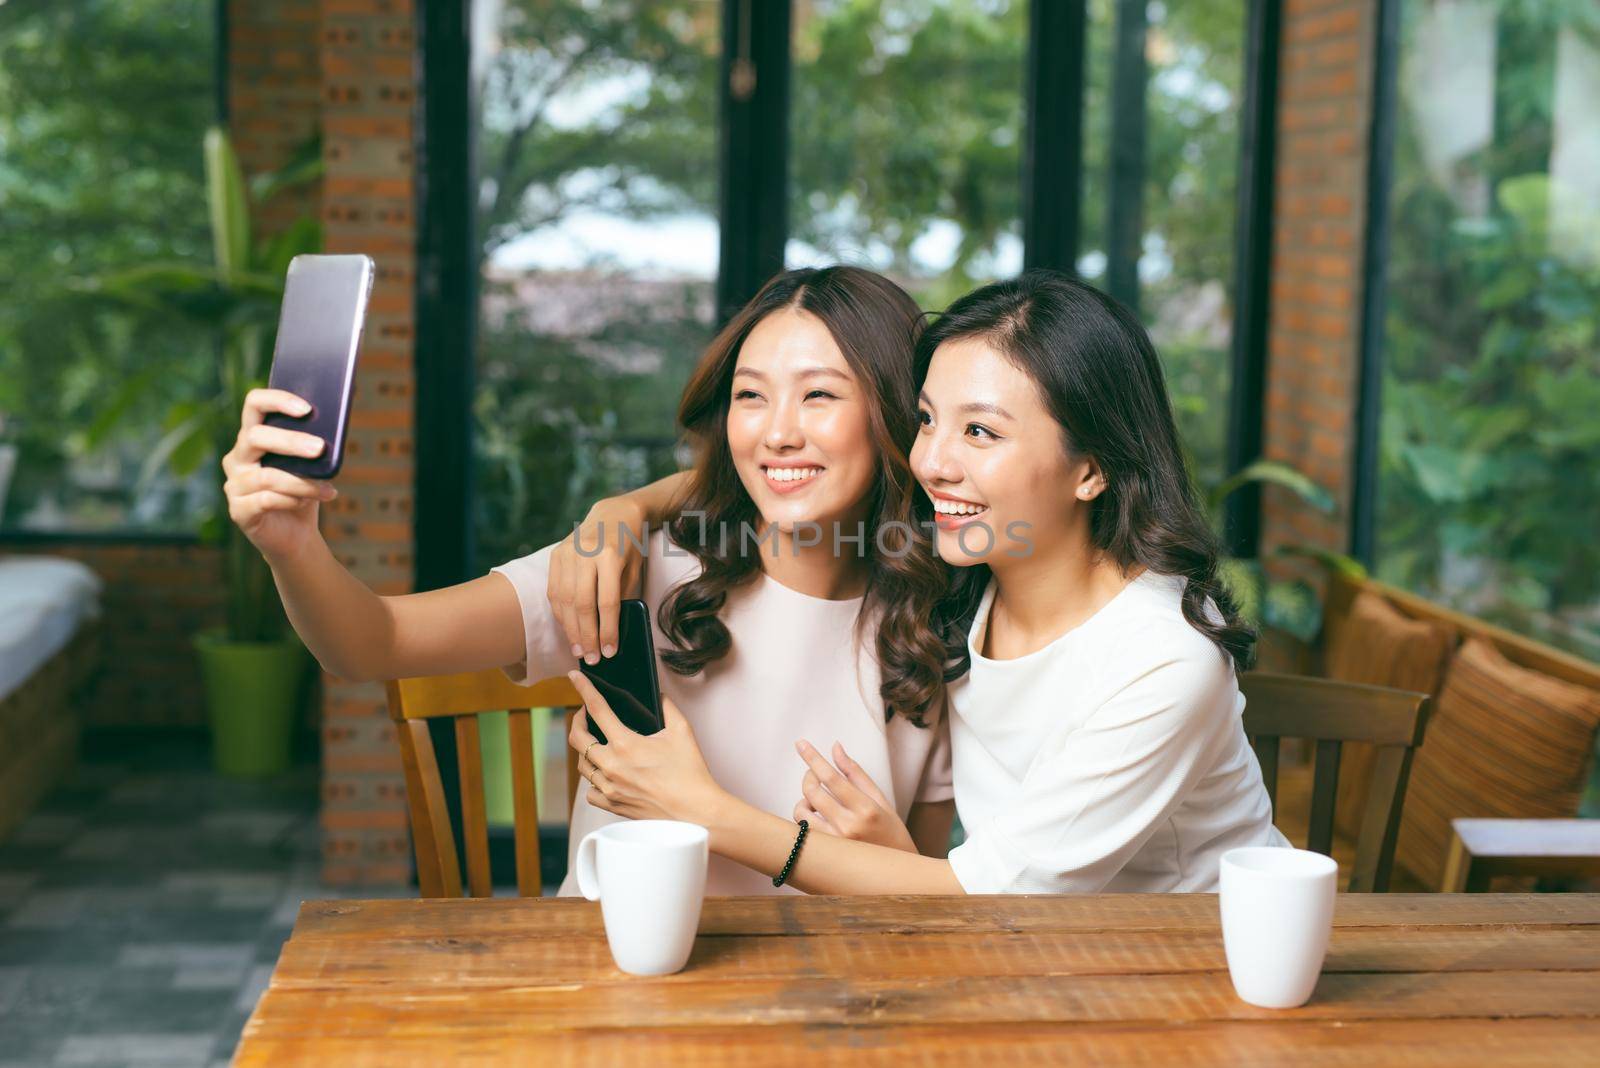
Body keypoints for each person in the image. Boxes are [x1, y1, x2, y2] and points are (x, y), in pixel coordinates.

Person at [221, 265, 957, 895]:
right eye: (751, 395)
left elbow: (920, 899)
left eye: (819, 395)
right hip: (615, 988)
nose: (776, 432)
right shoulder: (628, 567)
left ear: (894, 413)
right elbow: (371, 643)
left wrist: (889, 855)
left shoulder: (940, 624)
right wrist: (292, 546)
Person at [564, 269, 1289, 894]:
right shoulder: (963, 568)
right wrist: (623, 510)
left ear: (1093, 468)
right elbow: (776, 478)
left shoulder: (1163, 659)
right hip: (1030, 960)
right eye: (926, 420)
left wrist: (704, 810)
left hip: (1194, 963)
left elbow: (996, 893)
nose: (932, 462)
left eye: (981, 432)